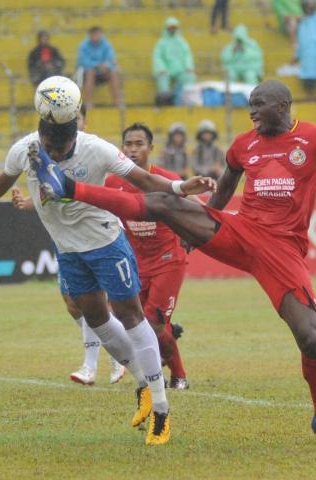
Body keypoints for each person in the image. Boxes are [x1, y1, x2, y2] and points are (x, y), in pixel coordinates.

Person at [35, 80, 316, 444]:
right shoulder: (244, 145)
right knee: (162, 202)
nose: (252, 113)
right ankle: (69, 188)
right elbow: (223, 193)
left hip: (283, 251)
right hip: (239, 231)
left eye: (259, 105)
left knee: (309, 338)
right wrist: (197, 230)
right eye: (249, 107)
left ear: (283, 105)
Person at [0, 77, 217, 446]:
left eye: (61, 149)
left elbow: (142, 179)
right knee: (93, 316)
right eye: (50, 149)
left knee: (131, 315)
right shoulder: (26, 149)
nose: (55, 154)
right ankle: (142, 381)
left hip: (107, 243)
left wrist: (178, 187)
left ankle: (161, 409)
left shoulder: (96, 149)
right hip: (69, 250)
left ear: (74, 132)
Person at [12, 105, 126, 386]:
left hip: (96, 239)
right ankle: (113, 357)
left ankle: (98, 363)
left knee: (95, 305)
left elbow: (102, 195)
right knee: (73, 304)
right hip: (65, 240)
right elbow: (52, 197)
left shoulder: (97, 154)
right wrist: (28, 202)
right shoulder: (46, 157)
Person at [105, 123, 191, 389]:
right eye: (128, 144)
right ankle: (165, 345)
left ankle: (179, 377)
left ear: (150, 149)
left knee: (153, 323)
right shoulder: (113, 182)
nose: (133, 149)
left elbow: (192, 207)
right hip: (136, 263)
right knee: (134, 323)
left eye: (138, 144)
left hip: (168, 260)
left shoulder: (164, 179)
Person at [153, 17, 196, 106]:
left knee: (190, 77)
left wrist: (188, 67)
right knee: (162, 78)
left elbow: (187, 55)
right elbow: (157, 57)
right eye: (170, 28)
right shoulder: (161, 43)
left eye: (174, 28)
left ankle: (187, 101)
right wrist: (161, 68)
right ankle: (165, 102)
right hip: (166, 70)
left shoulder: (182, 42)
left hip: (180, 70)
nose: (172, 30)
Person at [77, 26, 122, 109]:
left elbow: (111, 59)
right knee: (91, 72)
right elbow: (83, 61)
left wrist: (106, 65)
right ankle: (88, 102)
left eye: (98, 34)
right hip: (88, 71)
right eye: (94, 34)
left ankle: (117, 101)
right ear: (90, 35)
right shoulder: (84, 45)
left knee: (113, 73)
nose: (96, 36)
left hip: (103, 71)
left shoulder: (106, 45)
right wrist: (97, 65)